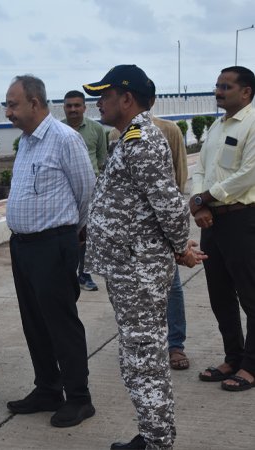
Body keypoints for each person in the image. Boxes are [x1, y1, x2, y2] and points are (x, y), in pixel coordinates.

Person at [83, 64, 204, 449]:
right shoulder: (129, 138)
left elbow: (169, 205)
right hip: (130, 266)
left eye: (104, 96)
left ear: (126, 98)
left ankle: (157, 442)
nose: (98, 103)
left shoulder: (140, 140)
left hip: (137, 269)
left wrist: (181, 248)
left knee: (143, 359)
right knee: (140, 355)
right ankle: (154, 436)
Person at [4, 75, 96, 428]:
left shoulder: (65, 139)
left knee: (61, 323)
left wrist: (69, 234)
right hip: (22, 246)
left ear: (35, 103)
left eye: (13, 104)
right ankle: (47, 388)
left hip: (53, 245)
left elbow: (85, 192)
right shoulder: (26, 141)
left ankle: (79, 398)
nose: (8, 111)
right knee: (34, 322)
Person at [108, 90, 191, 372]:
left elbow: (178, 176)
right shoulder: (116, 135)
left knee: (172, 288)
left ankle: (175, 344)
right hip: (129, 237)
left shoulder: (165, 131)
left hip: (157, 230)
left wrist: (177, 239)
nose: (100, 104)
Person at [191, 65, 255, 392]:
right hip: (212, 221)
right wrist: (199, 203)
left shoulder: (252, 123)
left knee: (250, 294)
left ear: (246, 92)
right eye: (217, 85)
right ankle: (234, 356)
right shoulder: (217, 126)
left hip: (243, 219)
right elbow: (200, 170)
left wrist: (206, 197)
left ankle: (251, 366)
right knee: (220, 294)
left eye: (226, 87)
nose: (218, 91)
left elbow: (249, 173)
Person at [61, 90, 107, 292]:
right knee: (66, 233)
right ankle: (66, 273)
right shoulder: (57, 130)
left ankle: (84, 274)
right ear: (64, 107)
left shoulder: (96, 129)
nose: (73, 109)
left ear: (84, 107)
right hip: (64, 191)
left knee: (87, 234)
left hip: (90, 190)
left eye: (77, 105)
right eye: (69, 105)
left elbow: (102, 160)